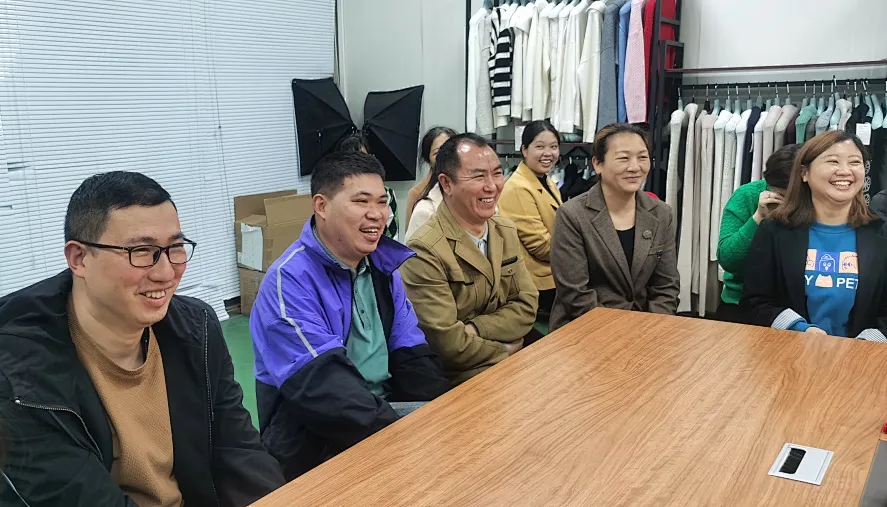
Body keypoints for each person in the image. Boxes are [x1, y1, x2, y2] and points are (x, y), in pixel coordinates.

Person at [0, 172, 284, 507]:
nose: (166, 273)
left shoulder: (196, 328)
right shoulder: (18, 372)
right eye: (141, 250)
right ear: (79, 258)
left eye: (175, 248)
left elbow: (237, 448)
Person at [250, 151, 449, 480]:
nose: (377, 214)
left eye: (382, 202)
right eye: (361, 201)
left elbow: (411, 352)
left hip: (380, 410)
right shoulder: (289, 281)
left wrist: (446, 412)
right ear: (321, 206)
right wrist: (407, 435)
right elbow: (324, 389)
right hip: (312, 432)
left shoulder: (382, 266)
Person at [401, 134, 539, 385]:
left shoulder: (504, 230)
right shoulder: (424, 248)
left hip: (516, 367)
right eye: (478, 176)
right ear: (446, 184)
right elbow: (449, 344)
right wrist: (505, 350)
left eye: (497, 173)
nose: (492, 186)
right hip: (464, 379)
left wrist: (475, 329)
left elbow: (527, 305)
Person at [742, 130, 887, 341]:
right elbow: (755, 301)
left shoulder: (881, 233)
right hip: (790, 350)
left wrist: (865, 344)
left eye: (855, 162)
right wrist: (798, 328)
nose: (845, 171)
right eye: (833, 161)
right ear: (805, 173)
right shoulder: (774, 231)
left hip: (863, 356)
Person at [550, 123, 680, 332]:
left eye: (642, 157)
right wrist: (624, 333)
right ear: (597, 164)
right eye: (623, 158)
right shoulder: (572, 215)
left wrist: (652, 329)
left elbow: (666, 287)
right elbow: (576, 295)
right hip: (584, 330)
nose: (635, 167)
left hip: (647, 329)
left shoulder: (661, 213)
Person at [716, 144, 799, 324]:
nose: (789, 202)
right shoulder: (748, 195)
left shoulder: (819, 200)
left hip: (798, 306)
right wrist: (758, 217)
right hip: (741, 301)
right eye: (781, 194)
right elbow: (727, 259)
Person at [498, 120, 563, 320]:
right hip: (539, 285)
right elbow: (541, 246)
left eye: (553, 147)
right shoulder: (518, 187)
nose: (548, 153)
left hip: (554, 277)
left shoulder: (546, 181)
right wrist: (577, 253)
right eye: (540, 147)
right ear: (524, 150)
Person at [336, 132, 400, 240]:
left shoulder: (387, 194)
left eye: (364, 158)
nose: (360, 165)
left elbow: (392, 238)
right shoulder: (336, 194)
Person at [404, 126, 458, 240]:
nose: (445, 156)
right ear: (427, 158)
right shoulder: (417, 194)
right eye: (437, 153)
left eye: (450, 150)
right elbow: (411, 241)